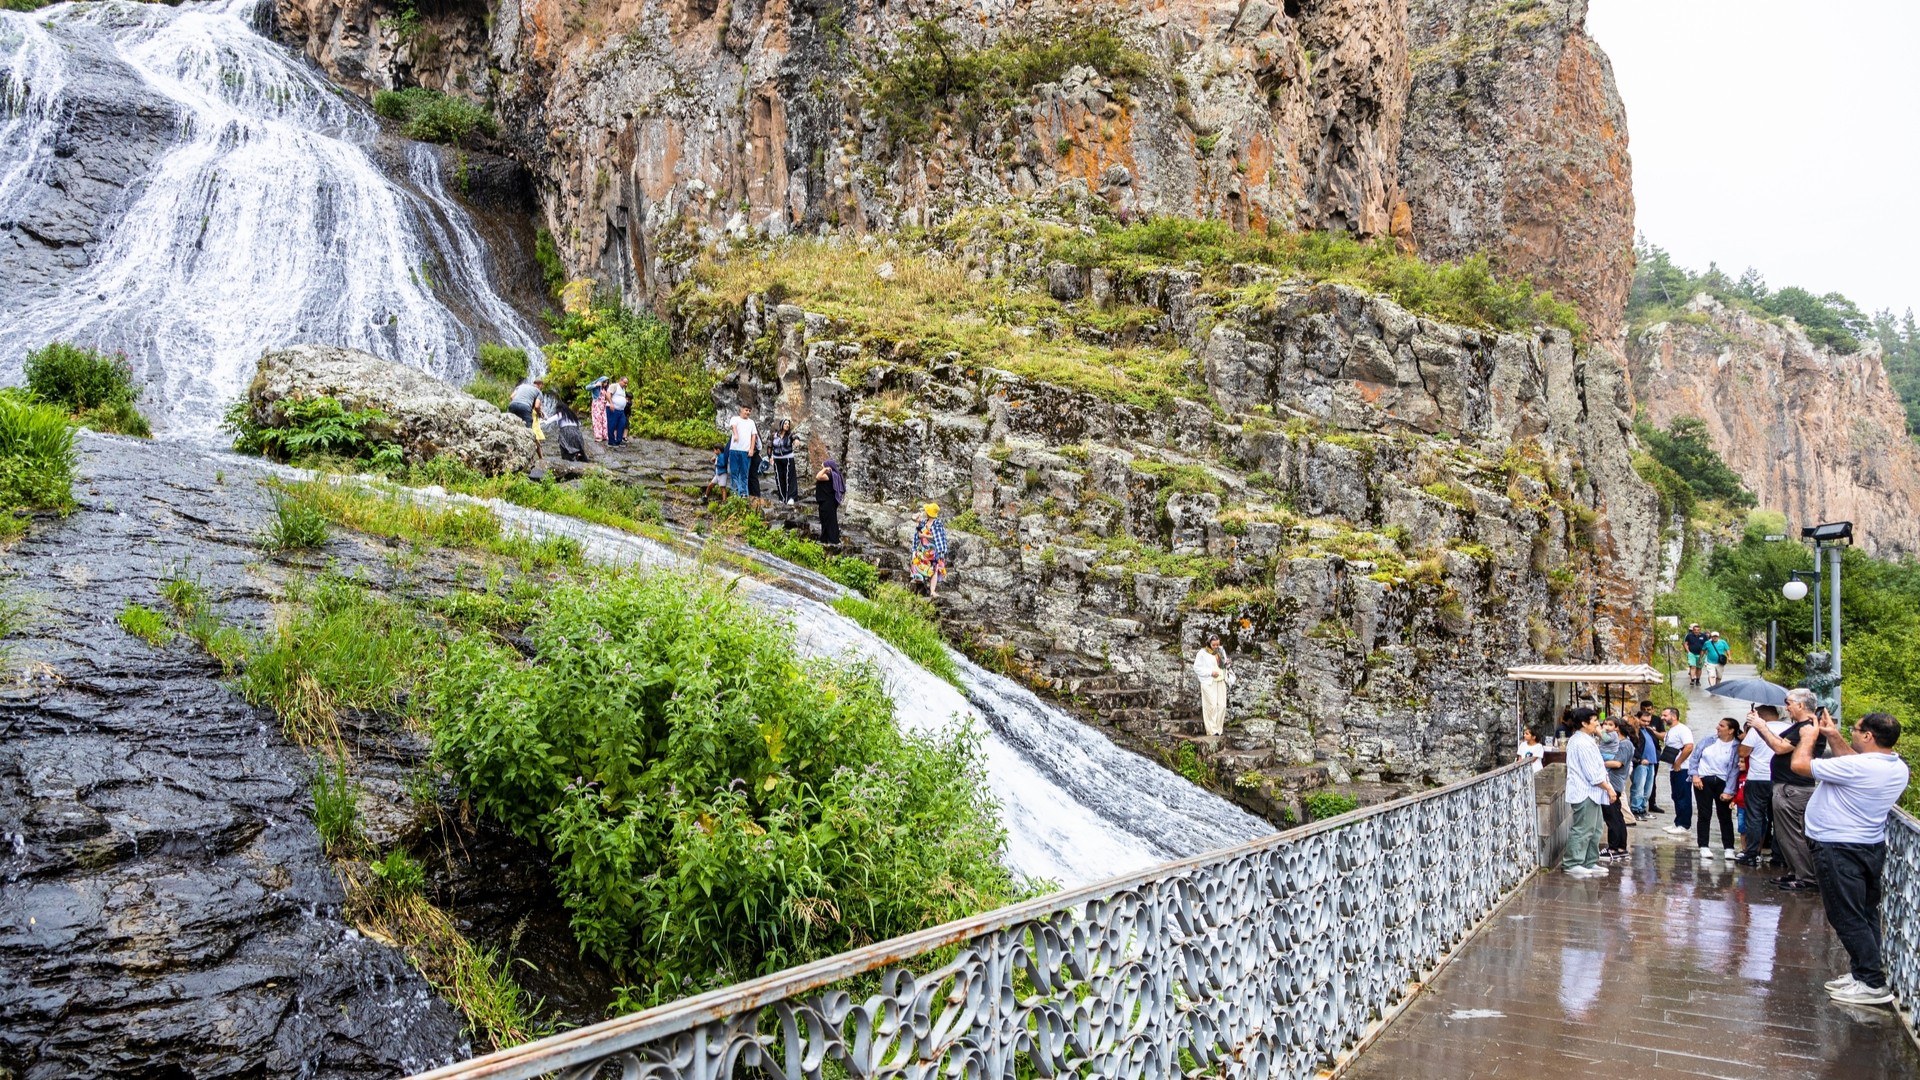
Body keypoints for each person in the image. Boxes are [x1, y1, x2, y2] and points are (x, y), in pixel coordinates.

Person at [1791, 710, 1908, 1006]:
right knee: (1866, 913)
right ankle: (1862, 974)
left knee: (1846, 915)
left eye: (1856, 730)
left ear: (1868, 736)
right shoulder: (1895, 766)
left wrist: (1809, 737)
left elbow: (1800, 764)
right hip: (1868, 846)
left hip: (1838, 848)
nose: (1852, 733)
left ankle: (1872, 982)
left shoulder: (1860, 768)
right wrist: (1832, 735)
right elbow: (1851, 760)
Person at [1749, 688, 1830, 892]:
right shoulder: (1802, 726)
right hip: (1787, 786)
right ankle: (1796, 872)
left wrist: (1761, 726)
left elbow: (1780, 747)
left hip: (1793, 788)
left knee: (1792, 834)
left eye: (1789, 703)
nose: (1786, 708)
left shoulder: (1808, 727)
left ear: (1801, 705)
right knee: (1785, 834)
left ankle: (1806, 877)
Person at [1562, 708, 1617, 878]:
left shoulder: (1587, 740)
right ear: (1584, 724)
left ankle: (1589, 861)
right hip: (1584, 791)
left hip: (1593, 792)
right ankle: (1572, 862)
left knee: (1595, 828)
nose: (1597, 724)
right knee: (1583, 828)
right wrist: (1608, 787)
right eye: (1594, 720)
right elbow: (1592, 773)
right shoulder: (1581, 742)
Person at [1737, 704, 1790, 867]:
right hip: (1781, 778)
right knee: (1779, 818)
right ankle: (1779, 855)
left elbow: (1743, 752)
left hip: (1757, 777)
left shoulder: (1756, 730)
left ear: (1760, 716)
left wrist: (1747, 734)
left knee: (1755, 816)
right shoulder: (1790, 728)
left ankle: (1752, 853)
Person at [1691, 717, 1740, 860]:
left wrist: (1729, 790)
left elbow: (1734, 770)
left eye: (1722, 726)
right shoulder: (1708, 740)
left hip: (1723, 782)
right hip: (1703, 780)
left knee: (1725, 816)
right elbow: (1695, 758)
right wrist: (1695, 775)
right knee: (1704, 814)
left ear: (1731, 731)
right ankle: (1704, 846)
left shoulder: (1736, 746)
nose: (1717, 727)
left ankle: (1729, 848)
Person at [1600, 718, 1634, 861]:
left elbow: (1618, 763)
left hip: (1614, 783)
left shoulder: (1625, 744)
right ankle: (1620, 847)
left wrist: (1600, 763)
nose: (1606, 728)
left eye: (1610, 725)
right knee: (1617, 816)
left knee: (1612, 816)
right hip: (1615, 782)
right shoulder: (1621, 744)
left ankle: (1614, 847)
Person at [1661, 708, 1695, 835]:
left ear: (1673, 716)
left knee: (1683, 796)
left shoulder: (1683, 729)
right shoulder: (1672, 730)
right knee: (1676, 795)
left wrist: (1679, 762)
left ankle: (1685, 825)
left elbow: (1689, 747)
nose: (1662, 717)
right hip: (1674, 768)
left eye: (1665, 715)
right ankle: (1678, 822)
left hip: (1682, 768)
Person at [1193, 634, 1230, 737]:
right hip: (1208, 682)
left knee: (1222, 706)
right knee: (1211, 706)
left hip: (1221, 680)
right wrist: (1210, 672)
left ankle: (1219, 729)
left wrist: (1227, 663)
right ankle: (1212, 731)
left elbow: (1223, 665)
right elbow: (1196, 668)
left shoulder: (1221, 650)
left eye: (1217, 644)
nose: (1216, 647)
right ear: (1209, 643)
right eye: (1214, 645)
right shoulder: (1202, 653)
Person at [910, 503, 950, 599]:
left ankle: (932, 591)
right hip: (923, 549)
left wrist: (925, 535)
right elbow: (920, 533)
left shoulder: (937, 523)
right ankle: (917, 578)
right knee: (918, 562)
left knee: (935, 570)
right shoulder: (924, 522)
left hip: (934, 551)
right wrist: (918, 522)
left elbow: (937, 536)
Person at [726, 405, 758, 496]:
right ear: (741, 410)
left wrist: (751, 449)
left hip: (745, 451)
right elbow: (733, 426)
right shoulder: (735, 419)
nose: (748, 412)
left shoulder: (751, 422)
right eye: (746, 410)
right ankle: (735, 492)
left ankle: (743, 493)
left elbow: (754, 436)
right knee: (734, 472)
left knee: (744, 473)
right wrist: (736, 435)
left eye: (749, 411)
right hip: (734, 450)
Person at [1630, 712, 1658, 816]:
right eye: (1643, 721)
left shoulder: (1649, 731)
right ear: (1637, 719)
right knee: (1639, 787)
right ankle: (1636, 809)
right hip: (1641, 763)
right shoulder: (1634, 731)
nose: (1646, 723)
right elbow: (1632, 748)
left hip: (1651, 762)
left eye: (1648, 721)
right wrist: (1640, 759)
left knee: (1648, 789)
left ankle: (1642, 808)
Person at [769, 420, 798, 506]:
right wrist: (770, 456)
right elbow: (770, 446)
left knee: (789, 477)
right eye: (785, 424)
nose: (787, 425)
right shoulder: (774, 435)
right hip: (777, 459)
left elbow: (795, 437)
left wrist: (796, 441)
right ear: (781, 424)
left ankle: (791, 497)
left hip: (788, 458)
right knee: (779, 478)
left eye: (788, 424)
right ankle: (782, 498)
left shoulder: (790, 435)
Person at [814, 457, 843, 544]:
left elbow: (818, 476)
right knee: (825, 520)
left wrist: (825, 469)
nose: (822, 469)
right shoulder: (831, 476)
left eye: (823, 467)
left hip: (828, 502)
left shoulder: (830, 476)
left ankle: (832, 540)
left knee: (829, 521)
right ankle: (825, 539)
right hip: (826, 502)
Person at [606, 377, 629, 446]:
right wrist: (611, 403)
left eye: (627, 383)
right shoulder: (614, 386)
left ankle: (619, 440)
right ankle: (611, 441)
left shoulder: (623, 389)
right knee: (612, 425)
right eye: (625, 383)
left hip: (621, 410)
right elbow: (608, 394)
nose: (626, 384)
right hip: (613, 409)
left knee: (622, 424)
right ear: (620, 381)